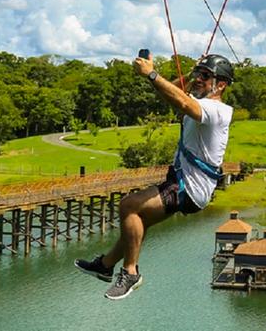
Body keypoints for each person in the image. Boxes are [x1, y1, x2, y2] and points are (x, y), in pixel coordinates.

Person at [74, 53, 235, 300]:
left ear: (221, 84)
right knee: (138, 221)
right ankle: (105, 265)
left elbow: (181, 102)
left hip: (190, 188)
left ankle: (130, 272)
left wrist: (151, 73)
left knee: (128, 206)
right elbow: (174, 95)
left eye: (206, 76)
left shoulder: (217, 111)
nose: (199, 79)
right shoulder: (200, 105)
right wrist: (182, 74)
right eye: (198, 75)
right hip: (181, 181)